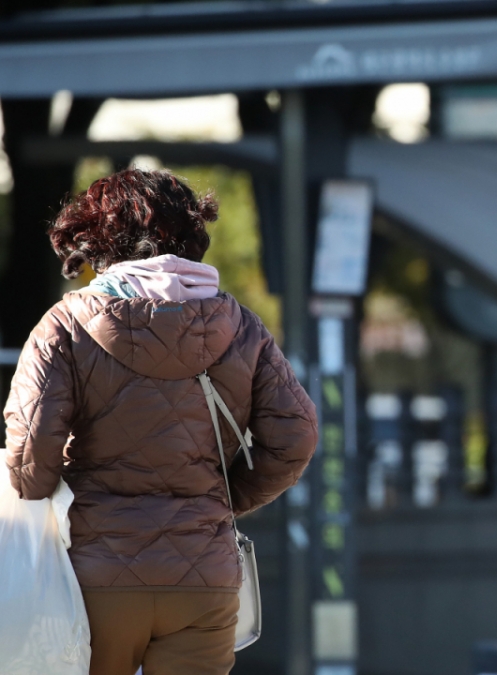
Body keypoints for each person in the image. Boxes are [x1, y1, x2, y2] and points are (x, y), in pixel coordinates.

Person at [4, 169, 318, 675]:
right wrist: (223, 497)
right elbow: (296, 436)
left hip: (91, 578)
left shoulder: (64, 325)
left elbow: (29, 455)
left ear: (96, 239)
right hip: (204, 579)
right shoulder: (242, 327)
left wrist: (45, 491)